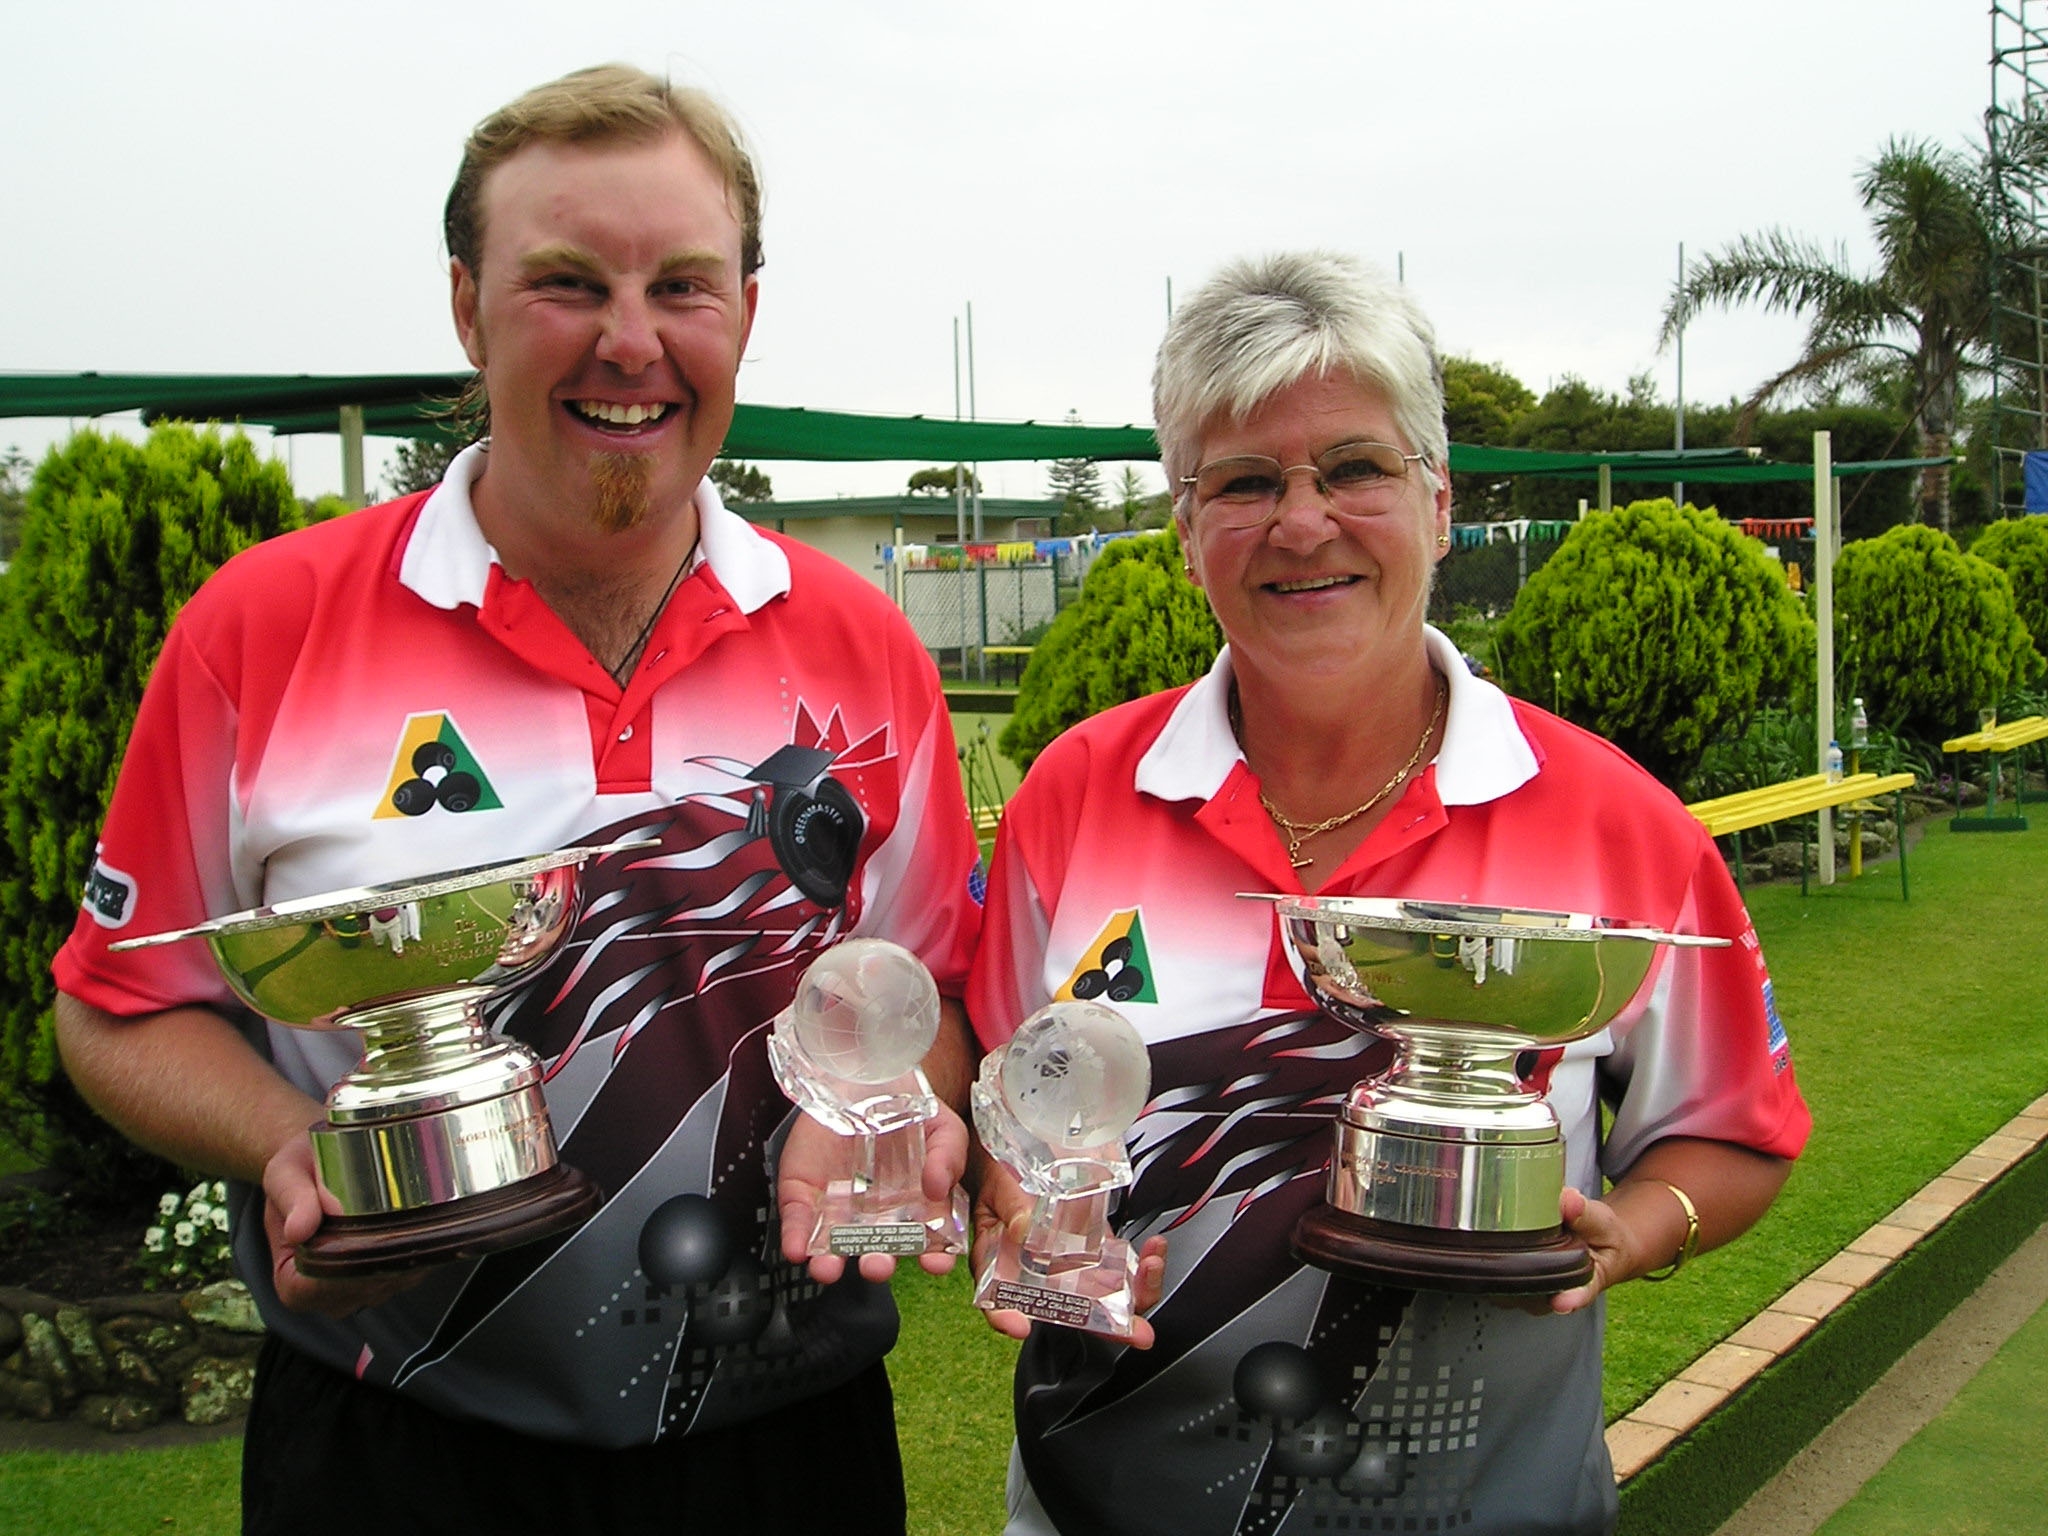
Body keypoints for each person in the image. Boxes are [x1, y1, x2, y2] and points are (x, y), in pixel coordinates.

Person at [52, 64, 981, 1536]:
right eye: (564, 280)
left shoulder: (861, 643)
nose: (631, 342)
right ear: (465, 305)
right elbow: (116, 1002)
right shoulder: (262, 629)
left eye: (683, 283)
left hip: (785, 1446)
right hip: (395, 1438)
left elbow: (938, 994)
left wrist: (879, 1099)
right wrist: (291, 1148)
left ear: (744, 307)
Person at [966, 251, 1810, 1536]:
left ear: (1438, 499)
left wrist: (1631, 1230)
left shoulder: (1611, 818)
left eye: (1352, 468)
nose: (1301, 524)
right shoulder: (1076, 794)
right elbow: (1001, 1090)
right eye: (1243, 482)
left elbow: (1734, 1135)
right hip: (1092, 1501)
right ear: (1186, 529)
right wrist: (1018, 1212)